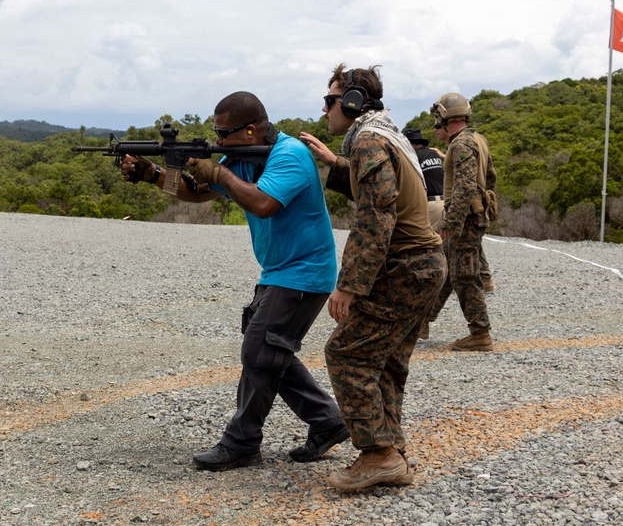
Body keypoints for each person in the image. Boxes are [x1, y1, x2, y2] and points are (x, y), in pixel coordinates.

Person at [120, 91, 348, 471]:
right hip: (279, 271)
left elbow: (262, 203)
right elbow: (198, 193)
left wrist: (219, 169)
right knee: (271, 353)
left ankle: (241, 442)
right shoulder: (241, 158)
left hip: (305, 273)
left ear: (251, 130)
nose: (219, 141)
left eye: (224, 134)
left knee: (259, 352)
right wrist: (152, 174)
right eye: (216, 133)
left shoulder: (289, 156)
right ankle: (328, 422)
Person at [299, 64, 445, 491]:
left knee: (347, 355)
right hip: (425, 265)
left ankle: (378, 454)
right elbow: (383, 189)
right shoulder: (386, 135)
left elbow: (376, 215)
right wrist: (335, 164)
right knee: (387, 362)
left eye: (330, 101)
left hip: (404, 267)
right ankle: (391, 452)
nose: (324, 109)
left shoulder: (367, 140)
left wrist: (349, 285)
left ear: (352, 102)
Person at [424, 93, 497, 351]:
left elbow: (465, 187)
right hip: (473, 216)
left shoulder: (460, 145)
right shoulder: (478, 140)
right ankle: (422, 320)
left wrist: (449, 223)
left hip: (464, 219)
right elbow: (491, 177)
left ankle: (480, 334)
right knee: (450, 271)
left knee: (464, 276)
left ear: (445, 116)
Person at [403, 128, 445, 231]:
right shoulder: (434, 153)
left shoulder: (413, 157)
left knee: (423, 243)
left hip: (429, 205)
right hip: (445, 203)